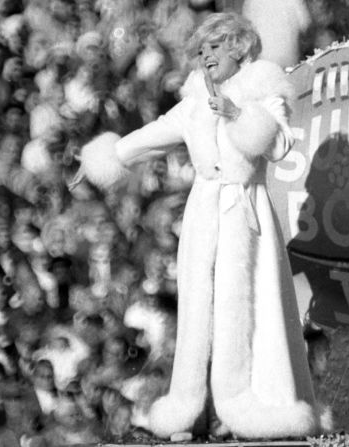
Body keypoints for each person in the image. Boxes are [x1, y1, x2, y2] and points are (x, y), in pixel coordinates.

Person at [73, 12, 320, 439]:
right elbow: (153, 134)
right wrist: (106, 157)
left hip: (249, 215)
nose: (206, 56)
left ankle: (259, 408)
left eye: (214, 47)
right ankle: (198, 409)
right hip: (205, 214)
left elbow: (279, 146)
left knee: (252, 310)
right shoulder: (193, 103)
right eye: (201, 49)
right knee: (198, 314)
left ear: (239, 48)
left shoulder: (264, 88)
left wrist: (238, 113)